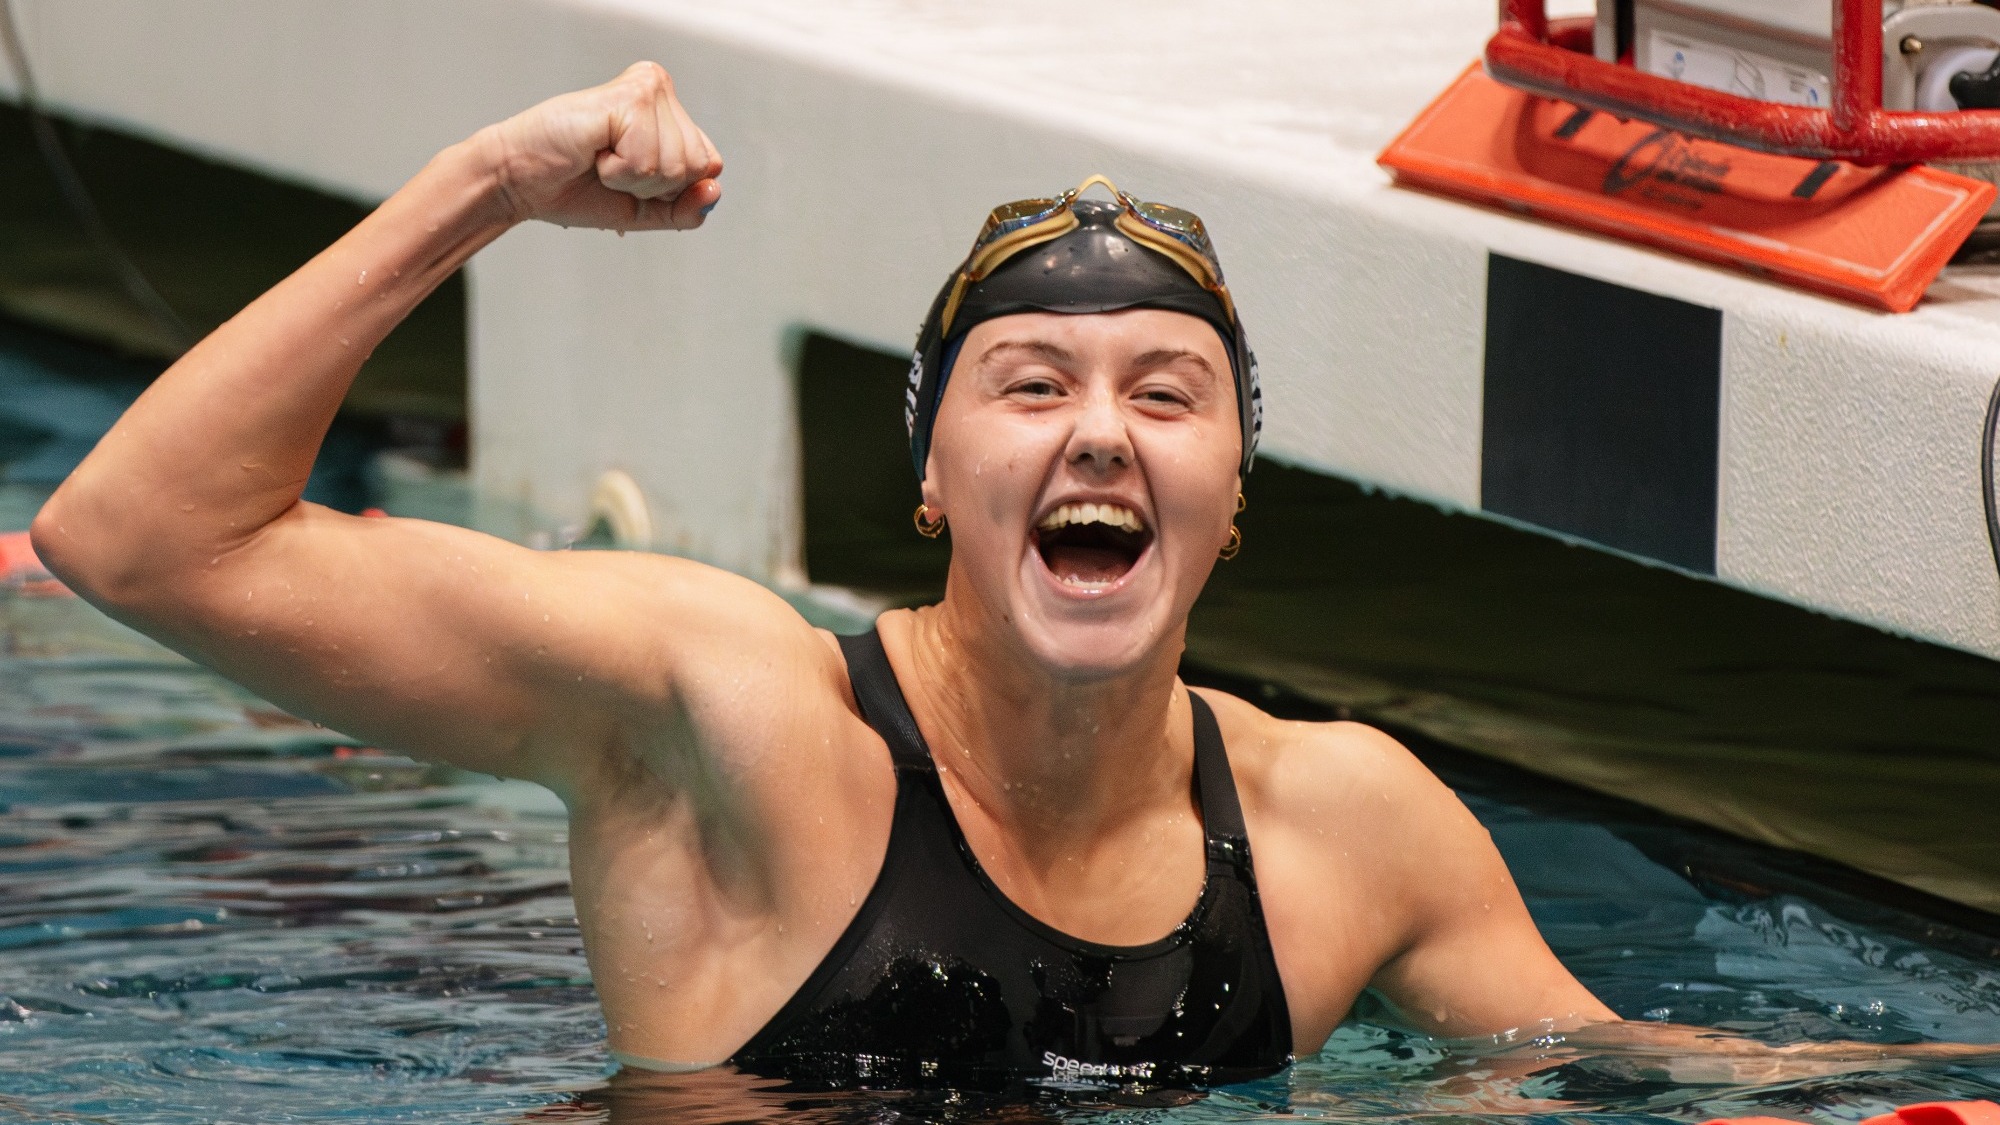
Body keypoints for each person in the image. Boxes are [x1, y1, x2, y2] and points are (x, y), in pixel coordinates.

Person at [27, 62, 1979, 1093]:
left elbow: (1620, 1077)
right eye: (1029, 384)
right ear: (932, 484)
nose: (1103, 430)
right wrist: (486, 185)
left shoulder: (1348, 822)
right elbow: (141, 539)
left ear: (1232, 491)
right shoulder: (721, 712)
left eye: (1168, 392)